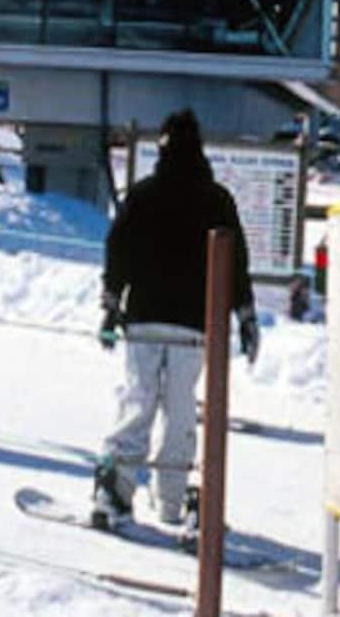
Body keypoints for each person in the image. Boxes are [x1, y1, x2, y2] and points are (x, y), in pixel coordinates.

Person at [92, 108, 258, 536]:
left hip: (144, 316)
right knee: (180, 407)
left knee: (138, 400)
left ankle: (115, 489)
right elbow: (236, 261)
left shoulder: (143, 194)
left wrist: (111, 302)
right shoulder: (216, 199)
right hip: (194, 323)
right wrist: (245, 314)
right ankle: (172, 498)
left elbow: (119, 248)